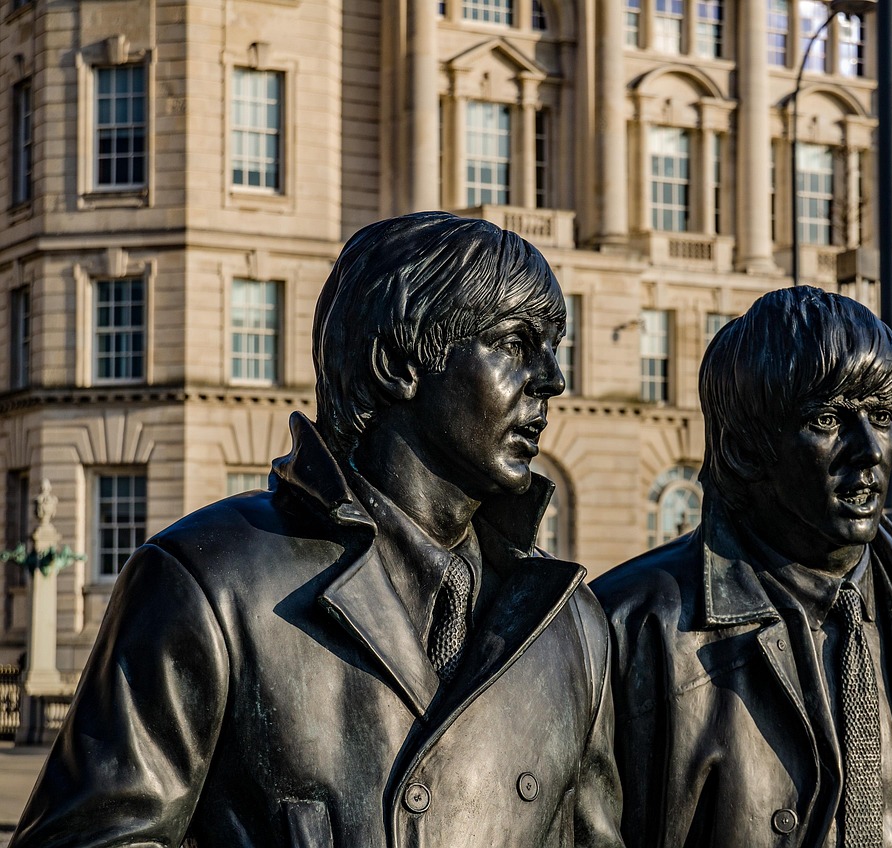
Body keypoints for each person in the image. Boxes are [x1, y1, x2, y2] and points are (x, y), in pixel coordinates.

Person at [12, 212, 622, 848]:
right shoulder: (210, 580)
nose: (553, 381)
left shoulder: (572, 626)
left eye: (553, 349)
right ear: (396, 363)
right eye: (514, 344)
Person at [592, 286, 892, 847]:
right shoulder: (632, 626)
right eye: (828, 419)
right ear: (742, 448)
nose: (870, 450)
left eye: (883, 416)